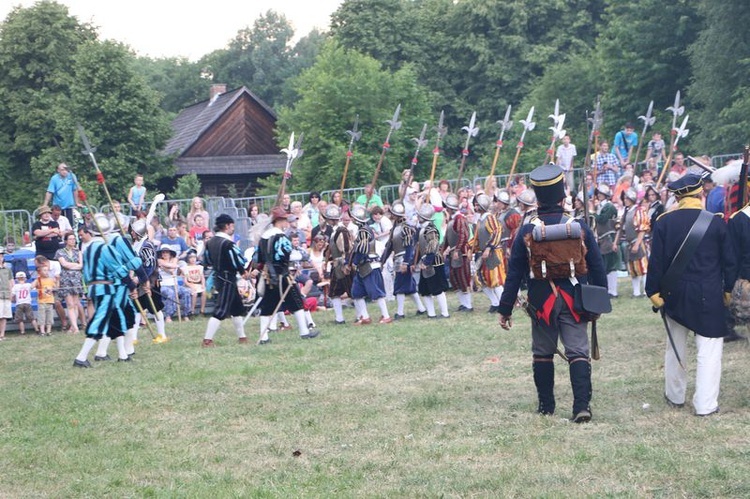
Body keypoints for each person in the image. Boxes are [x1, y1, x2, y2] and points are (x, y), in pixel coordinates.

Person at [498, 164, 606, 423]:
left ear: (537, 196)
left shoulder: (526, 231)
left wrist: (504, 309)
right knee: (578, 351)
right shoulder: (578, 225)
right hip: (574, 298)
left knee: (543, 353)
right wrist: (599, 301)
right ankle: (582, 406)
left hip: (542, 301)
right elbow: (597, 266)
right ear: (561, 195)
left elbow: (514, 274)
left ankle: (546, 406)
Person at [646, 174, 736, 416]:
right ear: (700, 194)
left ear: (677, 197)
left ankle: (675, 395)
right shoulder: (717, 223)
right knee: (709, 351)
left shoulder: (664, 222)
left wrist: (652, 291)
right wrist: (727, 291)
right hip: (708, 293)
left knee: (675, 346)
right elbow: (729, 262)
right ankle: (705, 405)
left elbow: (656, 263)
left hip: (674, 293)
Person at [73, 217, 144, 366]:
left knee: (116, 319)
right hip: (105, 288)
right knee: (100, 321)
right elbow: (118, 270)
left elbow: (85, 273)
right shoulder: (105, 248)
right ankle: (81, 357)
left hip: (94, 287)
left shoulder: (87, 249)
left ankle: (123, 355)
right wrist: (131, 284)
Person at [253, 208, 320, 343]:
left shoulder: (264, 237)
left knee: (267, 306)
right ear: (279, 221)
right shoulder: (281, 237)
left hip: (267, 276)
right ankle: (304, 332)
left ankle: (264, 337)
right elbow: (287, 254)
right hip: (282, 276)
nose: (287, 223)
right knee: (297, 301)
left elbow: (259, 258)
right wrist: (302, 256)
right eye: (284, 220)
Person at [201, 214, 251, 346]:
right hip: (228, 278)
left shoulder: (210, 242)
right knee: (221, 310)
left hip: (218, 276)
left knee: (236, 308)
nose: (233, 228)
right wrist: (243, 271)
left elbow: (206, 261)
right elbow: (238, 260)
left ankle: (242, 337)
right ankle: (207, 340)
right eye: (232, 226)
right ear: (227, 226)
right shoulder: (228, 244)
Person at [381, 200, 426, 319]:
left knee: (400, 287)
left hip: (403, 260)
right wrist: (382, 261)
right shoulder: (395, 228)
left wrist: (406, 262)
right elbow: (389, 247)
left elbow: (410, 247)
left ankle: (400, 312)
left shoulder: (406, 228)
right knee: (410, 287)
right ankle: (421, 308)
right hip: (398, 259)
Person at [127, 219, 168, 349]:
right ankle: (133, 337)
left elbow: (150, 266)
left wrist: (140, 280)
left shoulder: (146, 246)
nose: (131, 233)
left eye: (133, 231)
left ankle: (162, 334)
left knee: (155, 308)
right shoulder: (136, 245)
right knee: (137, 309)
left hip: (151, 281)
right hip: (139, 281)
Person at [349, 204, 392, 324]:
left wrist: (355, 261)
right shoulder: (363, 230)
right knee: (356, 292)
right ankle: (365, 317)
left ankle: (386, 316)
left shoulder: (364, 231)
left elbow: (362, 249)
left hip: (369, 264)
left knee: (377, 292)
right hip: (363, 267)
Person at [471, 193, 506, 312]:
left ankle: (503, 304)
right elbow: (477, 238)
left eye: (476, 205)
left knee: (495, 280)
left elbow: (496, 232)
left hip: (492, 253)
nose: (475, 208)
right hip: (482, 253)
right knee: (481, 280)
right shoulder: (480, 220)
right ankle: (495, 303)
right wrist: (469, 247)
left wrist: (488, 247)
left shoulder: (490, 218)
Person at [415, 204, 450, 319]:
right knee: (425, 290)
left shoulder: (431, 229)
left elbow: (433, 245)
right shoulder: (422, 229)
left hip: (434, 262)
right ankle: (431, 313)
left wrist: (427, 261)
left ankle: (445, 313)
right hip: (426, 261)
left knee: (437, 289)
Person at [441, 193, 473, 313]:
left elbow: (464, 235)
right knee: (455, 279)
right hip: (453, 253)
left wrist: (458, 249)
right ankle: (463, 303)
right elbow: (447, 238)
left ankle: (468, 305)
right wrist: (443, 250)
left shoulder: (459, 219)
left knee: (463, 278)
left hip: (461, 253)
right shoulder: (451, 220)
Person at [323, 204, 353, 325]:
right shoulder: (334, 231)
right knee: (334, 293)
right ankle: (339, 318)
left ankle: (362, 315)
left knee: (353, 293)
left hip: (342, 265)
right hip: (336, 266)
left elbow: (346, 249)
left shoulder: (341, 231)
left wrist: (346, 264)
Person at [619, 189, 649, 298]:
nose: (625, 200)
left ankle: (646, 291)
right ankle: (636, 292)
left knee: (643, 268)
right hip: (629, 243)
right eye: (625, 198)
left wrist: (637, 243)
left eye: (627, 198)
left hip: (637, 242)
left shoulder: (639, 211)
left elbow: (642, 229)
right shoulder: (627, 212)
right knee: (633, 269)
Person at [593, 184, 621, 297]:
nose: (599, 195)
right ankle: (608, 289)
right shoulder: (600, 207)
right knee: (605, 265)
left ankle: (613, 291)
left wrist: (592, 213)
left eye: (601, 194)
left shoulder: (609, 207)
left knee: (611, 265)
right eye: (598, 194)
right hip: (602, 238)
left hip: (609, 237)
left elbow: (603, 219)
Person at [55, 231, 84, 333]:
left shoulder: (78, 251)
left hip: (76, 279)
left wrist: (72, 266)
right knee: (70, 303)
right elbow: (64, 264)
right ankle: (75, 327)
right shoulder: (60, 252)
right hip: (66, 279)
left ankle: (73, 326)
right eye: (70, 239)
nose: (73, 241)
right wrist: (74, 265)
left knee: (75, 303)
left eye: (74, 239)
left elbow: (81, 265)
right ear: (66, 241)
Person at [158, 244, 192, 322]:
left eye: (167, 252)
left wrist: (165, 267)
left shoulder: (174, 259)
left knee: (186, 291)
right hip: (163, 285)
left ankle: (186, 315)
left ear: (170, 253)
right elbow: (171, 270)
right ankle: (168, 316)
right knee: (170, 293)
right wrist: (172, 266)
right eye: (163, 252)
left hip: (174, 284)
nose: (165, 254)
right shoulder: (159, 260)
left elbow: (172, 271)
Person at [43, 163, 79, 228]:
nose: (65, 171)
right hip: (57, 207)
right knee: (57, 225)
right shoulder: (54, 178)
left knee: (70, 226)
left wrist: (77, 202)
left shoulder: (72, 176)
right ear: (58, 170)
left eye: (66, 169)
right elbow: (50, 192)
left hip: (69, 207)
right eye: (62, 170)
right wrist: (45, 204)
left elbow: (75, 190)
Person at [32, 262, 56, 336]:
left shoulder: (51, 280)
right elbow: (32, 286)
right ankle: (42, 331)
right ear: (40, 272)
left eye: (47, 270)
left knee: (49, 316)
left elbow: (55, 288)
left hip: (50, 300)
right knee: (41, 317)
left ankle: (49, 330)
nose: (46, 272)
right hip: (41, 301)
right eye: (44, 270)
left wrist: (56, 283)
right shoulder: (38, 280)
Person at [0, 248, 12, 340]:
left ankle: (2, 334)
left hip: (6, 294)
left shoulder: (7, 269)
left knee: (4, 315)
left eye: (2, 255)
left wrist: (11, 293)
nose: (1, 257)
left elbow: (10, 282)